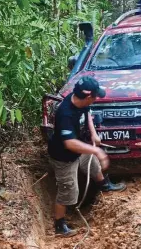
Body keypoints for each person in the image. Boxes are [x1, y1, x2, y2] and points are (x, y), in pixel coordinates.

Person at [48, 76, 126, 237]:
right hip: (64, 157)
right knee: (69, 190)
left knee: (93, 164)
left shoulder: (80, 100)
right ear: (89, 96)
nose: (96, 98)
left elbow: (88, 114)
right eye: (96, 96)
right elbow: (69, 143)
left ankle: (104, 185)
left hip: (79, 148)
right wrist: (96, 150)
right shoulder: (65, 113)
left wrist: (94, 134)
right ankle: (59, 225)